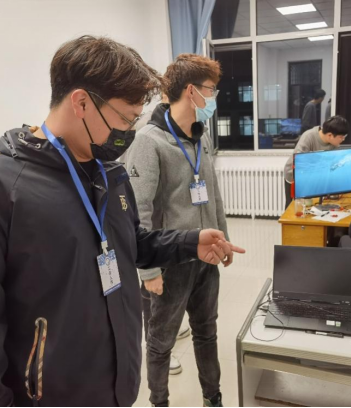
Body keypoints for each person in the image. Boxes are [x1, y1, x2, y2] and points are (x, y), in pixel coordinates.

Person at [0, 36, 245, 407]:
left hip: (114, 388)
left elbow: (130, 244)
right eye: (125, 119)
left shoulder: (109, 172)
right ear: (81, 102)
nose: (130, 132)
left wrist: (189, 242)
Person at [127, 54, 230, 408]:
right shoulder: (148, 141)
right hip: (169, 263)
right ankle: (159, 402)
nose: (214, 97)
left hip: (206, 257)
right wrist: (148, 270)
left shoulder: (201, 137)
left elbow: (213, 194)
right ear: (191, 91)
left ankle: (212, 398)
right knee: (160, 344)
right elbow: (138, 211)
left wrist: (223, 239)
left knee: (207, 333)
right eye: (211, 90)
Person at [123, 94, 191, 378]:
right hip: (146, 223)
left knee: (168, 289)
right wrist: (147, 267)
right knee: (151, 287)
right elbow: (139, 203)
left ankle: (169, 329)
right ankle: (157, 343)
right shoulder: (144, 132)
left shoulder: (175, 126)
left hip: (168, 225)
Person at [284, 116, 349, 209]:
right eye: (341, 137)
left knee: (315, 206)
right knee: (294, 207)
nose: (343, 139)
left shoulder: (334, 144)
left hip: (316, 176)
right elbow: (299, 164)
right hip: (294, 175)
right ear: (330, 135)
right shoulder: (308, 137)